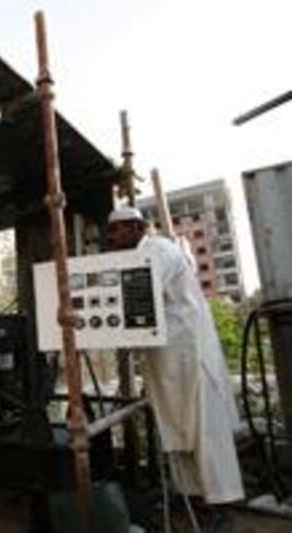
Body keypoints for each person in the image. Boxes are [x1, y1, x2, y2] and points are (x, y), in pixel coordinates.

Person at [106, 206, 244, 509]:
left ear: (136, 228)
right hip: (164, 358)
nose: (111, 237)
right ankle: (194, 497)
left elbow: (140, 296)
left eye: (117, 230)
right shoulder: (136, 258)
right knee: (175, 427)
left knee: (203, 427)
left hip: (189, 354)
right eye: (111, 231)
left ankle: (223, 504)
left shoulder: (158, 250)